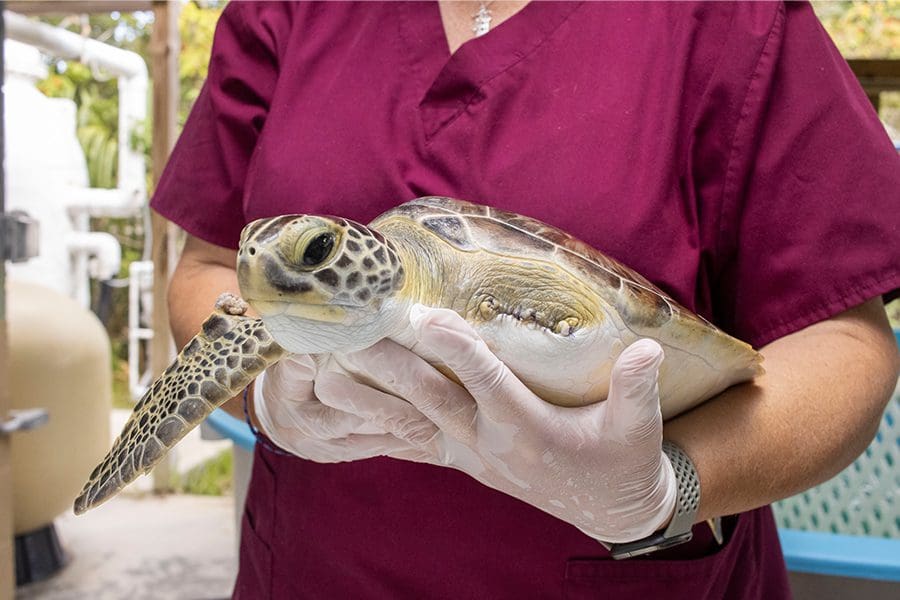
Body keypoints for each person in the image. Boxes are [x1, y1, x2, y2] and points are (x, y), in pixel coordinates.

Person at [152, 2, 900, 598]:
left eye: (314, 256)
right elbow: (212, 266)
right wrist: (263, 395)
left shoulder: (732, 19)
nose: (275, 278)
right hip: (317, 573)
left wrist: (664, 487)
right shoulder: (283, 13)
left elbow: (845, 341)